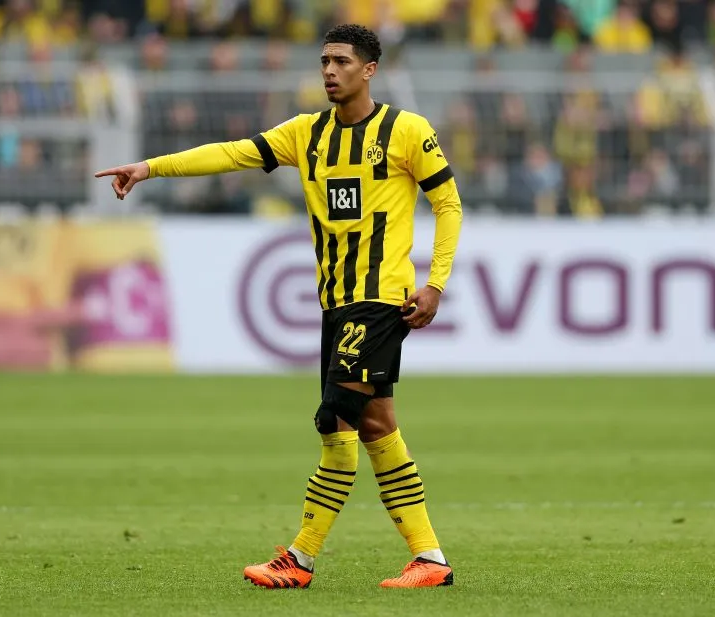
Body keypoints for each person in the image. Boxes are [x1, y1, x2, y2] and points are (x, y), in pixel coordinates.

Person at [95, 24, 462, 589]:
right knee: (376, 425)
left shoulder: (406, 131)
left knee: (336, 421)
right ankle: (430, 559)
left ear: (369, 70)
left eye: (341, 61)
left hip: (379, 300)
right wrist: (150, 167)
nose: (329, 71)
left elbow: (449, 204)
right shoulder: (305, 134)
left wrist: (435, 283)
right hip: (335, 305)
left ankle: (301, 558)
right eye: (323, 61)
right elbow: (231, 154)